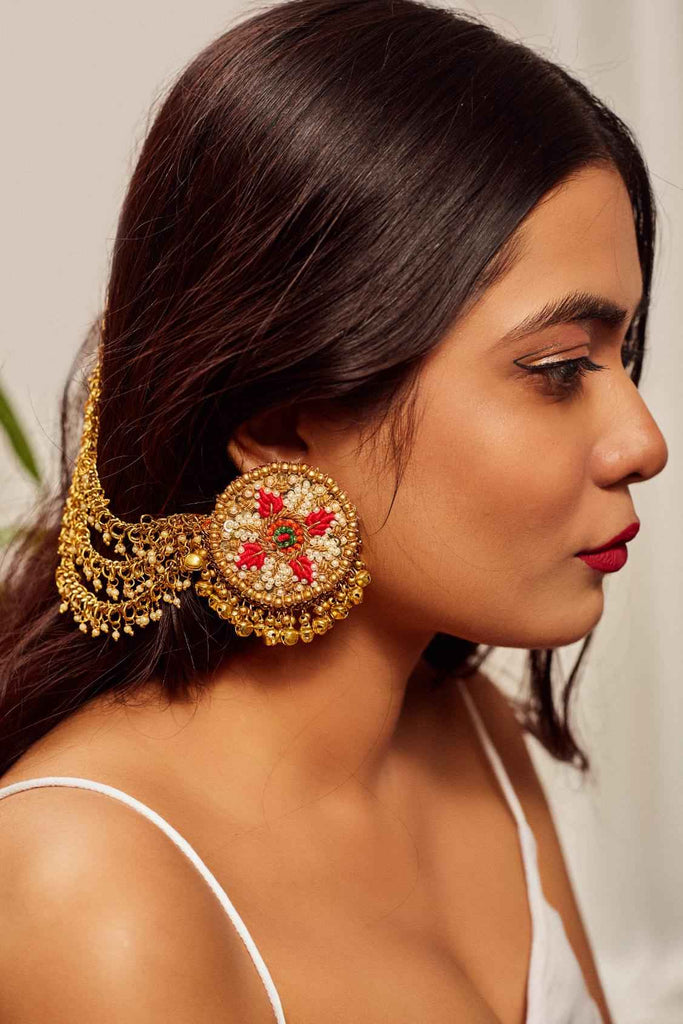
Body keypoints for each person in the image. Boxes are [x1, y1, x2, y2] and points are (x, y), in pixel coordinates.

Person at [0, 0, 669, 1021]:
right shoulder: (91, 890)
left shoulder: (471, 730)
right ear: (279, 425)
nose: (642, 442)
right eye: (555, 367)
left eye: (620, 354)